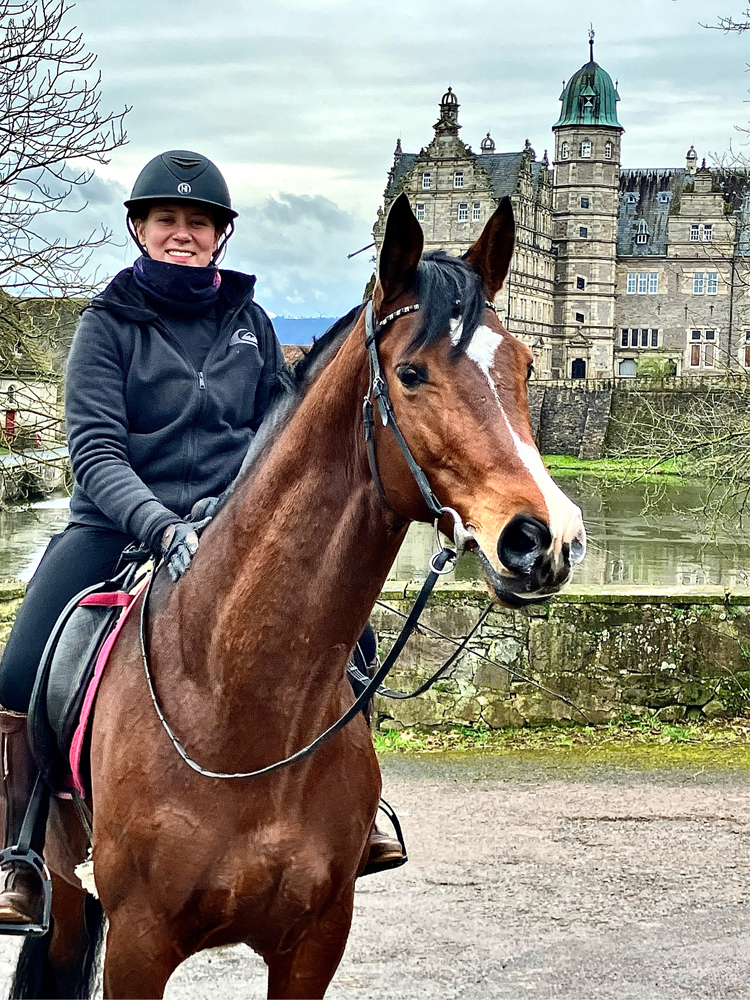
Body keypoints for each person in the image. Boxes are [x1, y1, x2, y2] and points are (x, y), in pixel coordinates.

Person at [0, 150, 402, 928]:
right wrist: (158, 523)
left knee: (352, 640)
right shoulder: (105, 326)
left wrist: (232, 514)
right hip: (115, 526)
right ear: (139, 229)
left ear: (220, 237)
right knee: (18, 671)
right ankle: (21, 852)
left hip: (232, 528)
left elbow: (275, 438)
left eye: (198, 223)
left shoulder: (250, 324)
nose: (182, 234)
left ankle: (365, 809)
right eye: (167, 221)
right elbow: (94, 452)